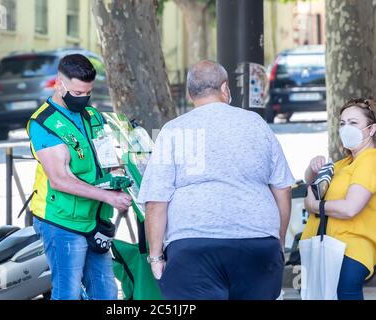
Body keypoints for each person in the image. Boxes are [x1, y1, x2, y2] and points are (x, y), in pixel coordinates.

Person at [137, 60, 295, 300]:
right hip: (258, 243)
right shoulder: (256, 124)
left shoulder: (173, 130)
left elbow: (156, 202)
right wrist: (278, 241)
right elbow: (282, 189)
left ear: (190, 94)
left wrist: (156, 256)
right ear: (225, 88)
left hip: (193, 245)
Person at [27, 54, 132, 300]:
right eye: (76, 93)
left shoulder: (92, 115)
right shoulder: (43, 123)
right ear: (58, 85)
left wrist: (119, 179)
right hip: (62, 222)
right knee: (68, 293)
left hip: (94, 220)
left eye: (88, 93)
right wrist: (109, 198)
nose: (83, 98)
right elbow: (60, 180)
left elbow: (108, 159)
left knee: (106, 293)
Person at [302, 98, 376, 300]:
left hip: (349, 251)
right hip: (331, 249)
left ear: (371, 129)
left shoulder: (369, 159)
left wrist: (315, 206)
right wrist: (312, 169)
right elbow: (315, 184)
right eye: (342, 123)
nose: (346, 128)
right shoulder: (344, 163)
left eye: (354, 123)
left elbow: (351, 208)